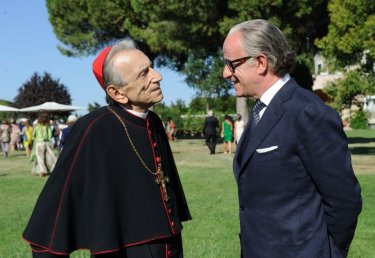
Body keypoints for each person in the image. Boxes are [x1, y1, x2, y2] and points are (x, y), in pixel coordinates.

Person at [23, 38, 191, 257]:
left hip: (170, 245)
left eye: (152, 67)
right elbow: (57, 202)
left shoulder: (154, 121)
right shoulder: (93, 127)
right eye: (144, 73)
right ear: (117, 93)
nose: (157, 76)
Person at [222, 19, 362, 258]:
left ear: (261, 62)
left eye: (231, 64)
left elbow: (344, 199)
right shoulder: (260, 111)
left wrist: (330, 252)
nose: (225, 73)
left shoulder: (308, 112)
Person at [31, 112, 57, 177]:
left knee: (40, 158)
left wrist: (35, 139)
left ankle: (42, 171)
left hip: (39, 143)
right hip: (47, 143)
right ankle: (52, 169)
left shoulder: (37, 126)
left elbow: (33, 135)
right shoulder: (48, 126)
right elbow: (50, 135)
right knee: (49, 157)